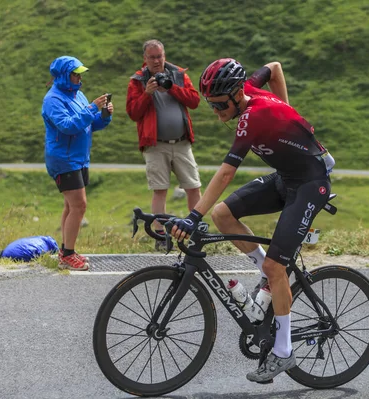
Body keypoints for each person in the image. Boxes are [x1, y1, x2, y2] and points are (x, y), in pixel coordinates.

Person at [170, 59, 335, 383]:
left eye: (219, 105)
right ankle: (267, 273)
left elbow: (226, 172)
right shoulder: (246, 89)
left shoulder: (253, 118)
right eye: (211, 105)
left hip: (310, 184)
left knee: (276, 268)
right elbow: (273, 67)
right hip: (287, 176)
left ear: (234, 96)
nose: (216, 112)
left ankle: (284, 351)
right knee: (222, 214)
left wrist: (192, 216)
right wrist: (288, 116)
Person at [126, 39, 202, 251]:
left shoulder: (178, 74)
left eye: (160, 56)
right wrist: (147, 93)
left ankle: (197, 230)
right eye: (152, 57)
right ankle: (160, 236)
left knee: (193, 186)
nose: (157, 61)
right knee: (160, 190)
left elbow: (194, 101)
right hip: (155, 145)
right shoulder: (137, 81)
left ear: (164, 55)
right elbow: (133, 113)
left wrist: (173, 88)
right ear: (145, 59)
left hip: (181, 143)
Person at [42, 55, 113, 271]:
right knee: (79, 205)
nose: (79, 78)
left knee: (70, 206)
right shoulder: (53, 99)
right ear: (65, 75)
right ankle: (68, 255)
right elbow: (67, 126)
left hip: (79, 158)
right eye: (76, 74)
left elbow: (87, 125)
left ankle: (66, 251)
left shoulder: (78, 95)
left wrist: (104, 116)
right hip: (64, 159)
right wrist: (92, 108)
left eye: (80, 74)